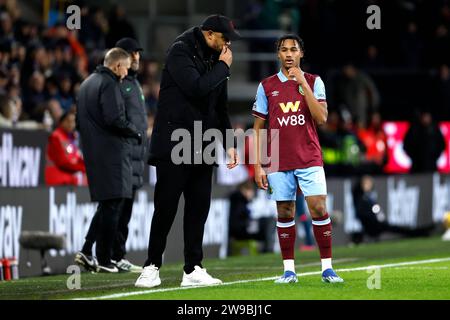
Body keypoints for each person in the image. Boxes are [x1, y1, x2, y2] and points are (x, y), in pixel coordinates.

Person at [135, 14, 241, 288]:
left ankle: (193, 267)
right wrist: (222, 68)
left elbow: (220, 108)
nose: (228, 44)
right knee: (166, 207)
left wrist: (229, 144)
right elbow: (196, 88)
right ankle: (151, 266)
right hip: (175, 143)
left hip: (203, 144)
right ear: (208, 34)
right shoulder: (180, 51)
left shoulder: (217, 61)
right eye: (224, 38)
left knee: (199, 208)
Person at [252, 34, 343, 283]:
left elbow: (321, 118)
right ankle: (289, 271)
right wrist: (258, 164)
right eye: (284, 50)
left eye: (293, 49)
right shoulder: (266, 86)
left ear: (301, 53)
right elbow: (258, 127)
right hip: (279, 159)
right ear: (278, 55)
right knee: (284, 211)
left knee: (318, 207)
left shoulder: (314, 81)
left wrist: (302, 82)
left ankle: (327, 268)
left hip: (309, 156)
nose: (289, 54)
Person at [77, 38, 148, 273]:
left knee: (112, 205)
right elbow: (115, 118)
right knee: (115, 206)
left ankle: (92, 251)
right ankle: (110, 257)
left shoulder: (124, 83)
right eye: (131, 56)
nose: (136, 59)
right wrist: (135, 133)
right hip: (119, 152)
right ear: (119, 62)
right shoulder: (115, 83)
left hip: (127, 154)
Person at [45, 110, 86, 186]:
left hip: (69, 180)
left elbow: (76, 158)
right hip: (57, 179)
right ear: (61, 122)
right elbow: (62, 163)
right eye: (68, 121)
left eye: (73, 122)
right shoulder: (56, 137)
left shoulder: (71, 138)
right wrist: (83, 169)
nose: (71, 124)